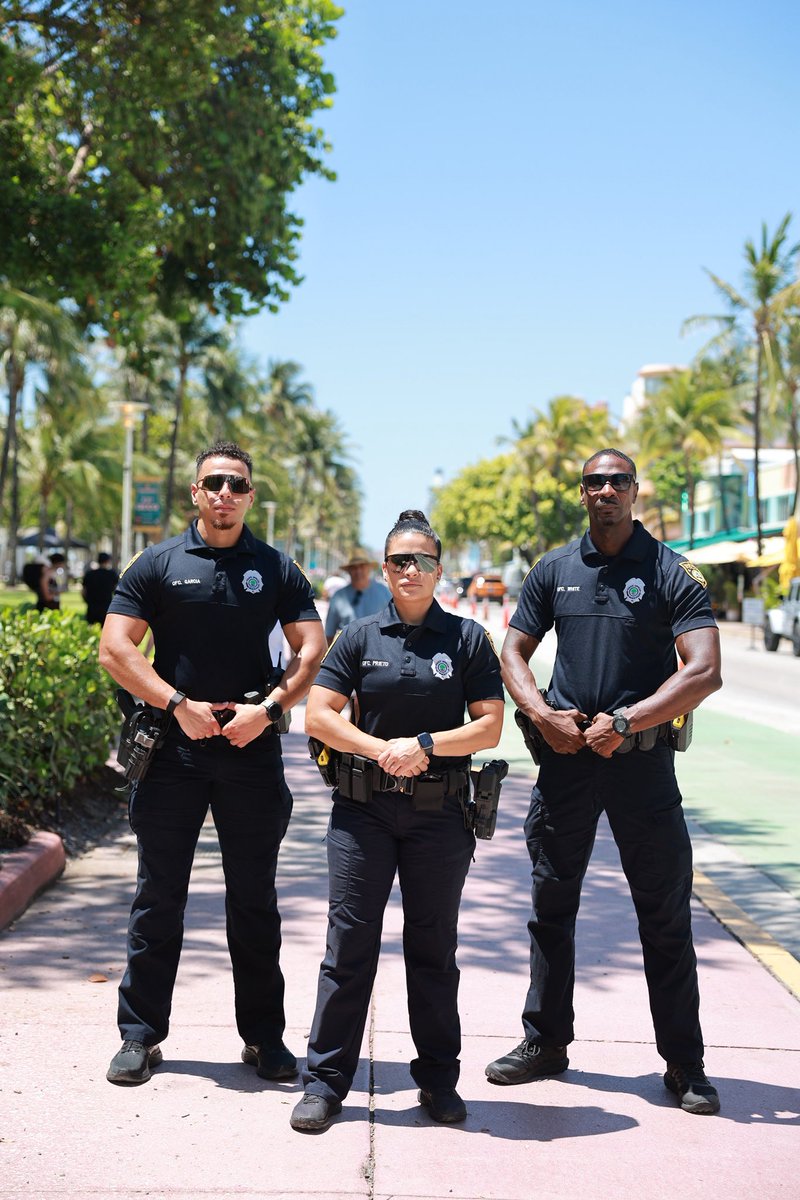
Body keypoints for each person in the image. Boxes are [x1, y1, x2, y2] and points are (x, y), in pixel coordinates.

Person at [485, 449, 723, 1115]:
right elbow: (513, 651)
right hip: (565, 761)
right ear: (582, 493)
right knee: (550, 906)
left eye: (618, 481)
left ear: (634, 490)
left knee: (664, 913)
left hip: (641, 764)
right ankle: (545, 1042)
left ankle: (685, 1065)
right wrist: (540, 714)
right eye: (595, 482)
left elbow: (703, 669)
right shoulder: (554, 569)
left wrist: (628, 720)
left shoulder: (669, 571)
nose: (607, 491)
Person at [99, 440, 326, 1086]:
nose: (225, 493)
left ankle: (264, 1039)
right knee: (158, 895)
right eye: (214, 483)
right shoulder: (159, 563)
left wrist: (272, 710)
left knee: (254, 901)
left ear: (250, 496)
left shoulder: (277, 568)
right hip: (173, 753)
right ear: (195, 494)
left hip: (250, 754)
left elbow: (311, 650)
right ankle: (139, 1036)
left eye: (237, 484)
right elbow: (115, 648)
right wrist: (177, 705)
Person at [291, 509, 505, 1132]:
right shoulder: (357, 636)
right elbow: (319, 715)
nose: (412, 569)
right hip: (362, 813)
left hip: (440, 817)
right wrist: (378, 748)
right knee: (348, 946)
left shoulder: (466, 639)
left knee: (433, 948)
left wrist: (426, 745)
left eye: (424, 560)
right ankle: (326, 1081)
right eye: (400, 560)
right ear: (385, 571)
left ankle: (438, 1080)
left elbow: (490, 724)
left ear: (441, 570)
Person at [324, 547, 390, 644]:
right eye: (354, 567)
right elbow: (329, 634)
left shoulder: (385, 593)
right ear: (348, 571)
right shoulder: (338, 597)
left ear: (369, 568)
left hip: (379, 651)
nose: (358, 571)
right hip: (348, 654)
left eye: (362, 566)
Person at [82, 552, 119, 625]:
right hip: (106, 607)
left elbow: (83, 591)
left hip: (92, 607)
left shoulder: (89, 574)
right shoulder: (112, 574)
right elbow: (116, 590)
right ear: (108, 561)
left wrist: (87, 601)